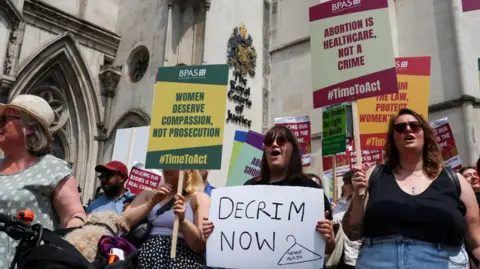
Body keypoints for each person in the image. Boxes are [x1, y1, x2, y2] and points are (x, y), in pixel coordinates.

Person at [343, 108, 480, 268]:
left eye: (414, 126)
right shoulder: (374, 175)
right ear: (393, 138)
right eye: (400, 128)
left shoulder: (456, 180)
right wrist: (359, 197)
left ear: (425, 134)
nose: (408, 129)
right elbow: (353, 233)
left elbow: (475, 241)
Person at [202, 126, 336, 256]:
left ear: (292, 149)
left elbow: (328, 249)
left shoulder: (310, 190)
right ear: (265, 150)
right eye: (268, 142)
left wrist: (328, 237)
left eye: (281, 141)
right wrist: (214, 230)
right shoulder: (250, 187)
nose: (274, 144)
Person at [0, 94, 86, 267]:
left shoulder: (53, 168)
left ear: (29, 127)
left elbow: (74, 216)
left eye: (4, 118)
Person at [122, 169, 210, 268]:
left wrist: (183, 221)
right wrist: (150, 204)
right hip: (147, 260)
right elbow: (122, 222)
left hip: (183, 262)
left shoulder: (200, 198)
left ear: (188, 170)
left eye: (173, 163)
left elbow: (200, 246)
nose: (167, 168)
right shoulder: (149, 194)